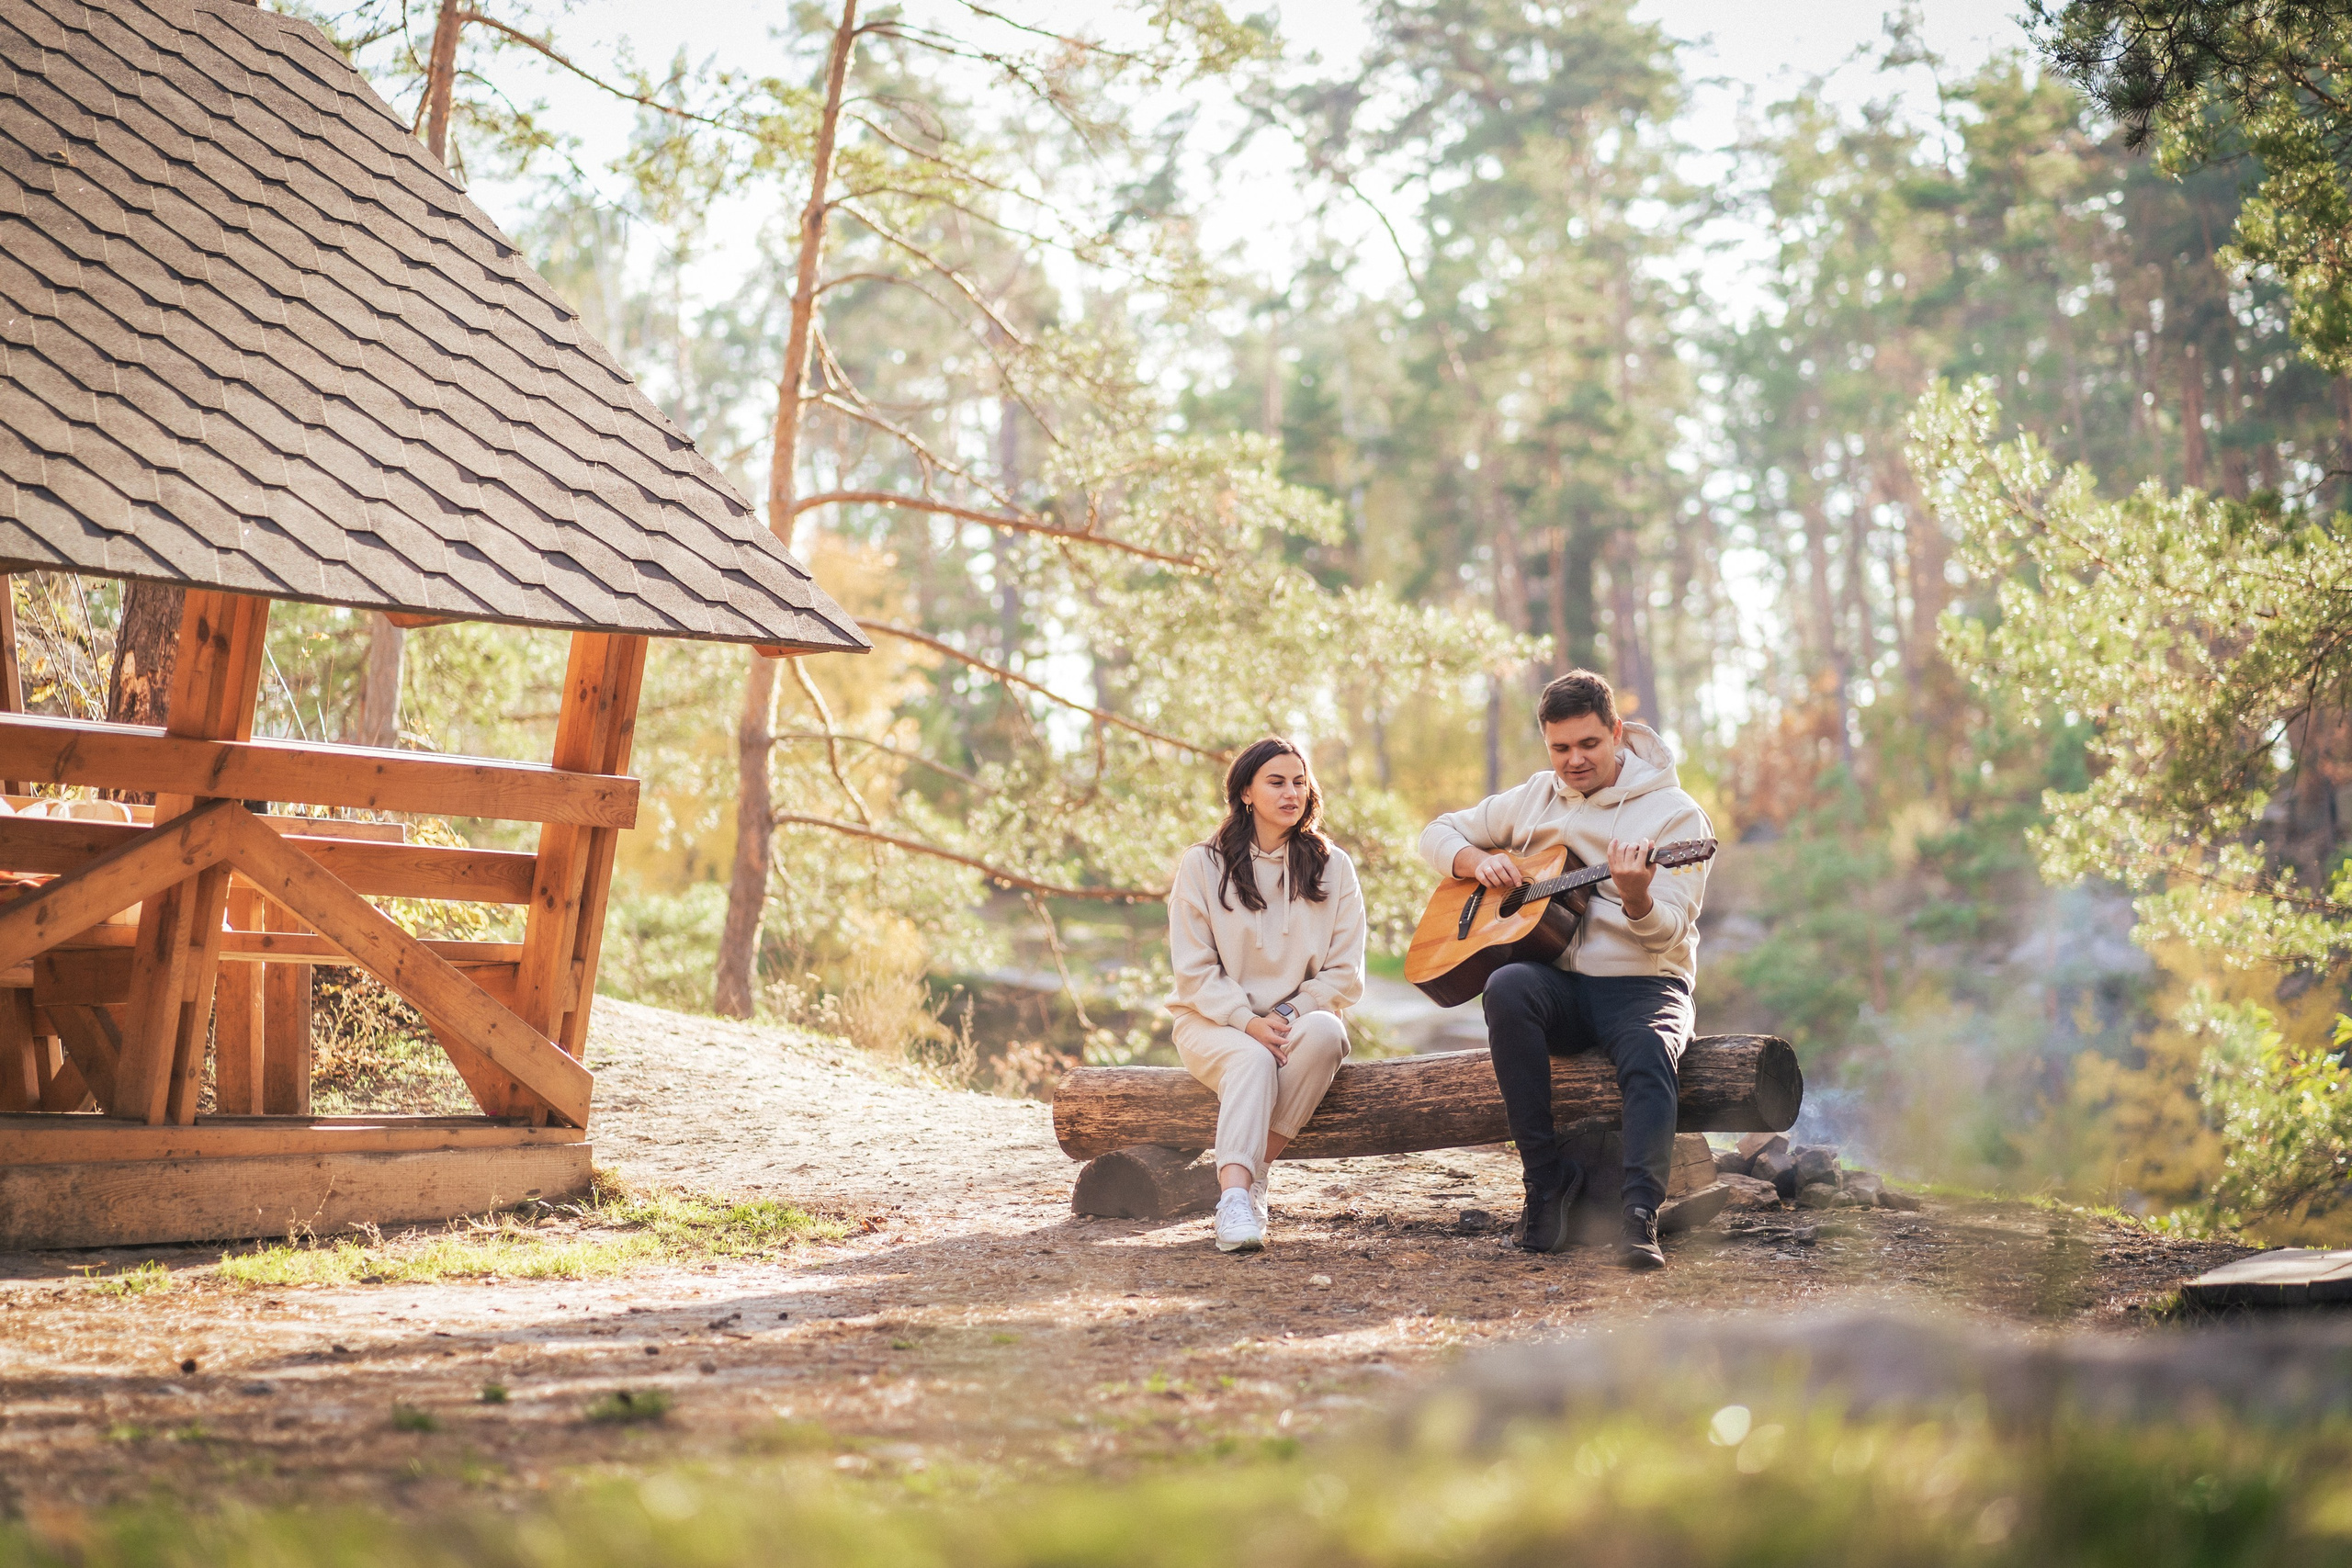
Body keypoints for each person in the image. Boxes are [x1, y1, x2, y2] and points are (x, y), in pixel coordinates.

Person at [1419, 670, 1712, 1269]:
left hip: (1646, 981)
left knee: (1652, 1049)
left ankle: (1639, 1215)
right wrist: (1476, 860)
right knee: (1505, 986)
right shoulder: (1533, 796)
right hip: (1559, 984)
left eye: (1588, 744)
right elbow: (1435, 833)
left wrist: (1635, 896)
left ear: (1618, 733)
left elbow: (1671, 929)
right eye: (1560, 748)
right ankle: (1546, 1183)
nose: (1574, 760)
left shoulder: (1676, 817)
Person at [1167, 738, 1367, 1253]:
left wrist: (1287, 1011)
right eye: (1276, 782)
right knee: (1253, 1060)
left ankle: (1252, 1173)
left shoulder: (1334, 866)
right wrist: (1245, 1019)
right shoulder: (1201, 865)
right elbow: (1193, 972)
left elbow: (1345, 974)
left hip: (1292, 1021)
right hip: (1210, 1022)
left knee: (1327, 1032)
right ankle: (1236, 1199)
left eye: (1299, 782)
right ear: (1246, 792)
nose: (1291, 793)